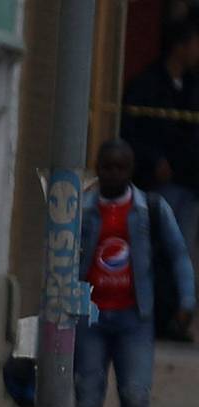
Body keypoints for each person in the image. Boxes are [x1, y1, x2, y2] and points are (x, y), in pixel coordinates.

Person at [73, 140, 195, 407]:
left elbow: (178, 254)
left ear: (130, 171)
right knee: (87, 403)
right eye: (106, 167)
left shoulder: (150, 210)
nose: (113, 174)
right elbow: (62, 255)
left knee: (137, 399)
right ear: (98, 168)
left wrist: (187, 301)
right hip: (91, 318)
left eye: (120, 168)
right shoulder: (83, 209)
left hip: (133, 320)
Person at [122, 21, 199, 283]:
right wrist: (153, 160)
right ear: (180, 46)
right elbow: (131, 130)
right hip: (154, 185)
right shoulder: (148, 84)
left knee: (181, 255)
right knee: (151, 252)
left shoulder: (193, 88)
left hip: (187, 186)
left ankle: (175, 316)